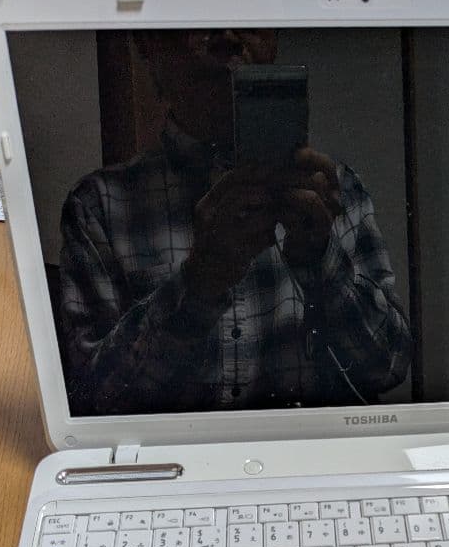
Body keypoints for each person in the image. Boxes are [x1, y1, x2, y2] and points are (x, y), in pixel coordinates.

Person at [57, 28, 412, 414]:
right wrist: (198, 282)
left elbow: (390, 366)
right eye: (203, 16)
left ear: (273, 40)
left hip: (307, 446)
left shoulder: (334, 190)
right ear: (149, 44)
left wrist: (321, 259)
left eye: (250, 17)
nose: (228, 35)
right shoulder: (100, 207)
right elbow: (94, 404)